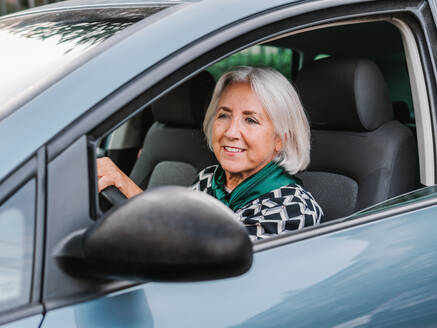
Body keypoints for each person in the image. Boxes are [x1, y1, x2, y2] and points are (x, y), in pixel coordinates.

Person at [97, 66, 323, 240]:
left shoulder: (293, 209)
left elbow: (205, 255)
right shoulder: (209, 179)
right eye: (224, 115)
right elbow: (178, 225)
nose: (231, 132)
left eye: (251, 120)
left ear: (280, 140)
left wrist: (129, 189)